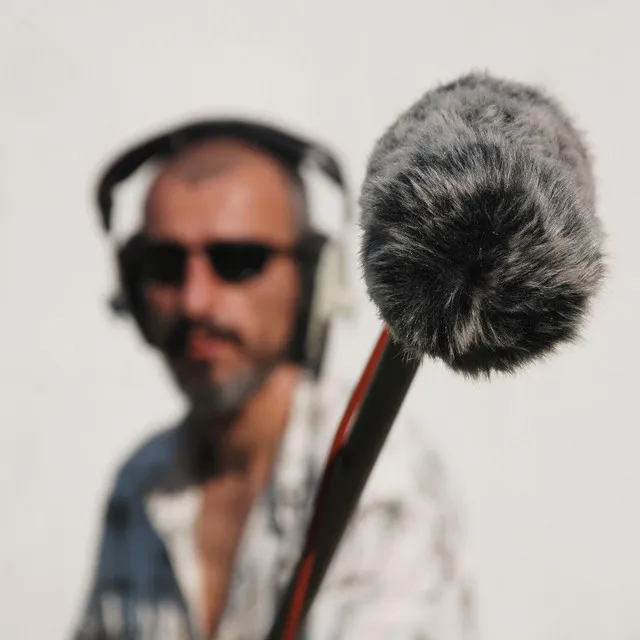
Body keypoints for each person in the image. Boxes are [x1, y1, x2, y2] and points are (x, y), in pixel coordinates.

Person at [73, 119, 474, 640]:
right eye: (164, 263)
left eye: (237, 261)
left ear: (313, 284)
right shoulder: (139, 482)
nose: (195, 300)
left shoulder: (382, 482)